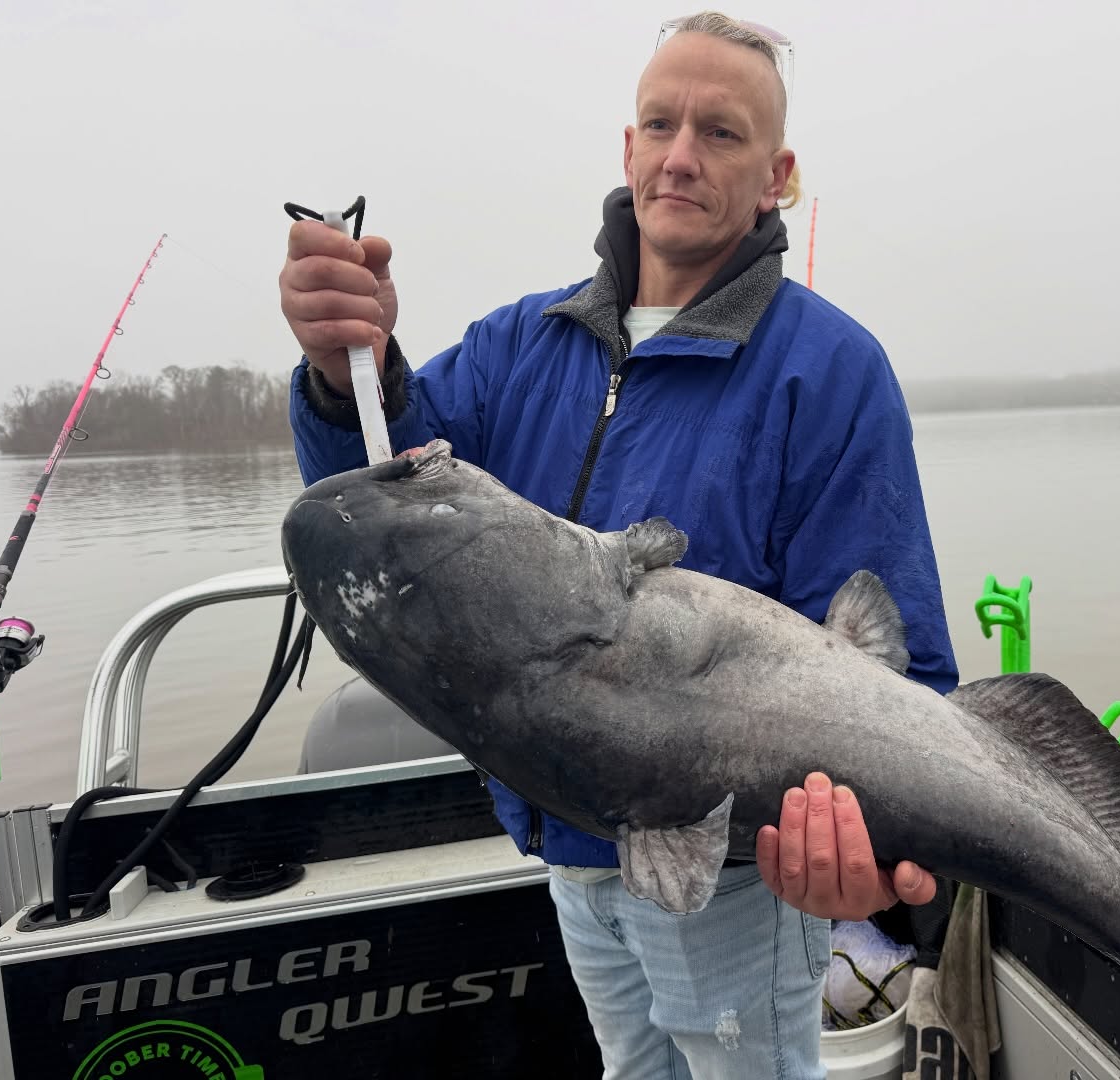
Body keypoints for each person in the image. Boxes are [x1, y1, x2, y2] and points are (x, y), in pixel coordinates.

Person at [279, 12, 959, 1077]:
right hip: (570, 848)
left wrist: (880, 861)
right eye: (659, 124)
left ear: (777, 173)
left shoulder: (829, 370)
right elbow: (389, 519)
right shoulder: (522, 343)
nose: (680, 155)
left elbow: (896, 678)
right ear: (626, 147)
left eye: (721, 134)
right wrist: (342, 373)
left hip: (737, 874)